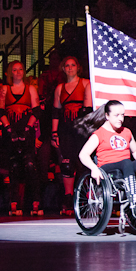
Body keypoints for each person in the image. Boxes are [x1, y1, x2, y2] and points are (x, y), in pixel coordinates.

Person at [77, 100, 136, 218]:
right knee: (127, 163)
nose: (120, 119)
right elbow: (83, 154)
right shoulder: (99, 134)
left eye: (122, 115)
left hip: (126, 168)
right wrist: (93, 168)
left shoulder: (126, 132)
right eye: (116, 115)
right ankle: (135, 204)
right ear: (107, 116)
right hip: (108, 169)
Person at [0, 61, 41, 216]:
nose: (18, 72)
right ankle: (14, 201)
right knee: (14, 166)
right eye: (14, 70)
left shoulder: (30, 88)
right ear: (9, 72)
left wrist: (28, 128)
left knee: (30, 164)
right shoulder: (4, 89)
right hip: (11, 130)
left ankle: (35, 200)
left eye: (20, 69)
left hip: (26, 129)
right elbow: (0, 111)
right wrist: (9, 129)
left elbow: (36, 111)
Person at [52, 56, 92, 216]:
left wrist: (89, 132)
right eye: (67, 65)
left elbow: (88, 110)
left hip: (81, 129)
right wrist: (54, 133)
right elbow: (55, 112)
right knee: (66, 164)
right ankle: (68, 198)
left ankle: (88, 197)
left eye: (73, 65)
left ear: (78, 67)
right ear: (63, 68)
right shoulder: (59, 88)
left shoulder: (85, 83)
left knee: (84, 163)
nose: (70, 68)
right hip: (65, 129)